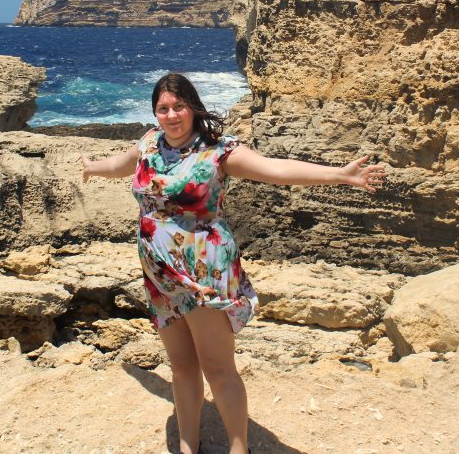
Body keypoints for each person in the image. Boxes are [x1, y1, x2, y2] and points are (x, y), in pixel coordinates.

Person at [81, 73, 388, 454]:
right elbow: (119, 166)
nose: (172, 115)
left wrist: (339, 175)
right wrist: (93, 167)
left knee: (217, 368)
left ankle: (238, 449)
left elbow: (276, 170)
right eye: (163, 108)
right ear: (155, 113)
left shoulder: (219, 151)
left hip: (206, 272)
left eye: (179, 106)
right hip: (160, 276)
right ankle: (188, 446)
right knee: (181, 366)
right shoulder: (148, 144)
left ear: (192, 107)